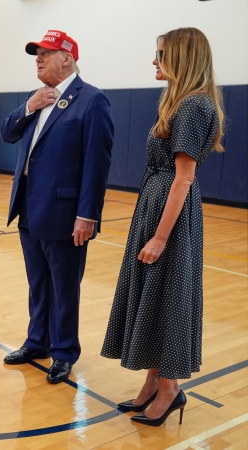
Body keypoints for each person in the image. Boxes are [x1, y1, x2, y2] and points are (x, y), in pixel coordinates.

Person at [101, 27, 225, 427]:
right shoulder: (175, 101)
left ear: (183, 58)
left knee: (168, 293)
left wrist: (159, 235)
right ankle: (154, 381)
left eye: (160, 53)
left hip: (169, 212)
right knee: (153, 293)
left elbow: (183, 178)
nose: (154, 60)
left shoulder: (192, 107)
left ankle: (170, 388)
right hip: (154, 202)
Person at [0, 30, 113, 384]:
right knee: (38, 283)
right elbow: (7, 133)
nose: (38, 59)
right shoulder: (38, 98)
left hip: (66, 214)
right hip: (29, 207)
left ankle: (64, 352)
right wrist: (28, 106)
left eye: (45, 53)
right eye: (37, 54)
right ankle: (38, 342)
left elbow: (97, 163)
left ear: (67, 58)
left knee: (65, 286)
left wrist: (87, 214)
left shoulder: (92, 101)